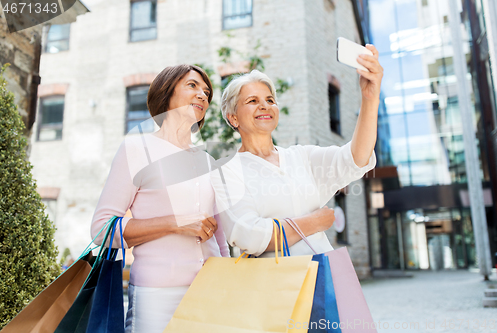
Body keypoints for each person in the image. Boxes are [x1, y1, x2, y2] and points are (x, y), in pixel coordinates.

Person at [90, 64, 230, 333]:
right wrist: (174, 223)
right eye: (192, 86)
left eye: (207, 92)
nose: (203, 94)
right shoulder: (136, 149)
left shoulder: (208, 161)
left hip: (210, 290)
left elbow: (219, 234)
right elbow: (102, 229)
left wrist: (226, 279)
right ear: (167, 92)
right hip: (157, 295)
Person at [211, 45, 383, 257]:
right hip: (277, 285)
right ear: (233, 117)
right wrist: (314, 222)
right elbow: (251, 237)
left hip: (322, 278)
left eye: (270, 100)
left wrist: (370, 97)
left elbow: (356, 158)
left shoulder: (302, 157)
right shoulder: (226, 172)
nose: (264, 105)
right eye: (252, 101)